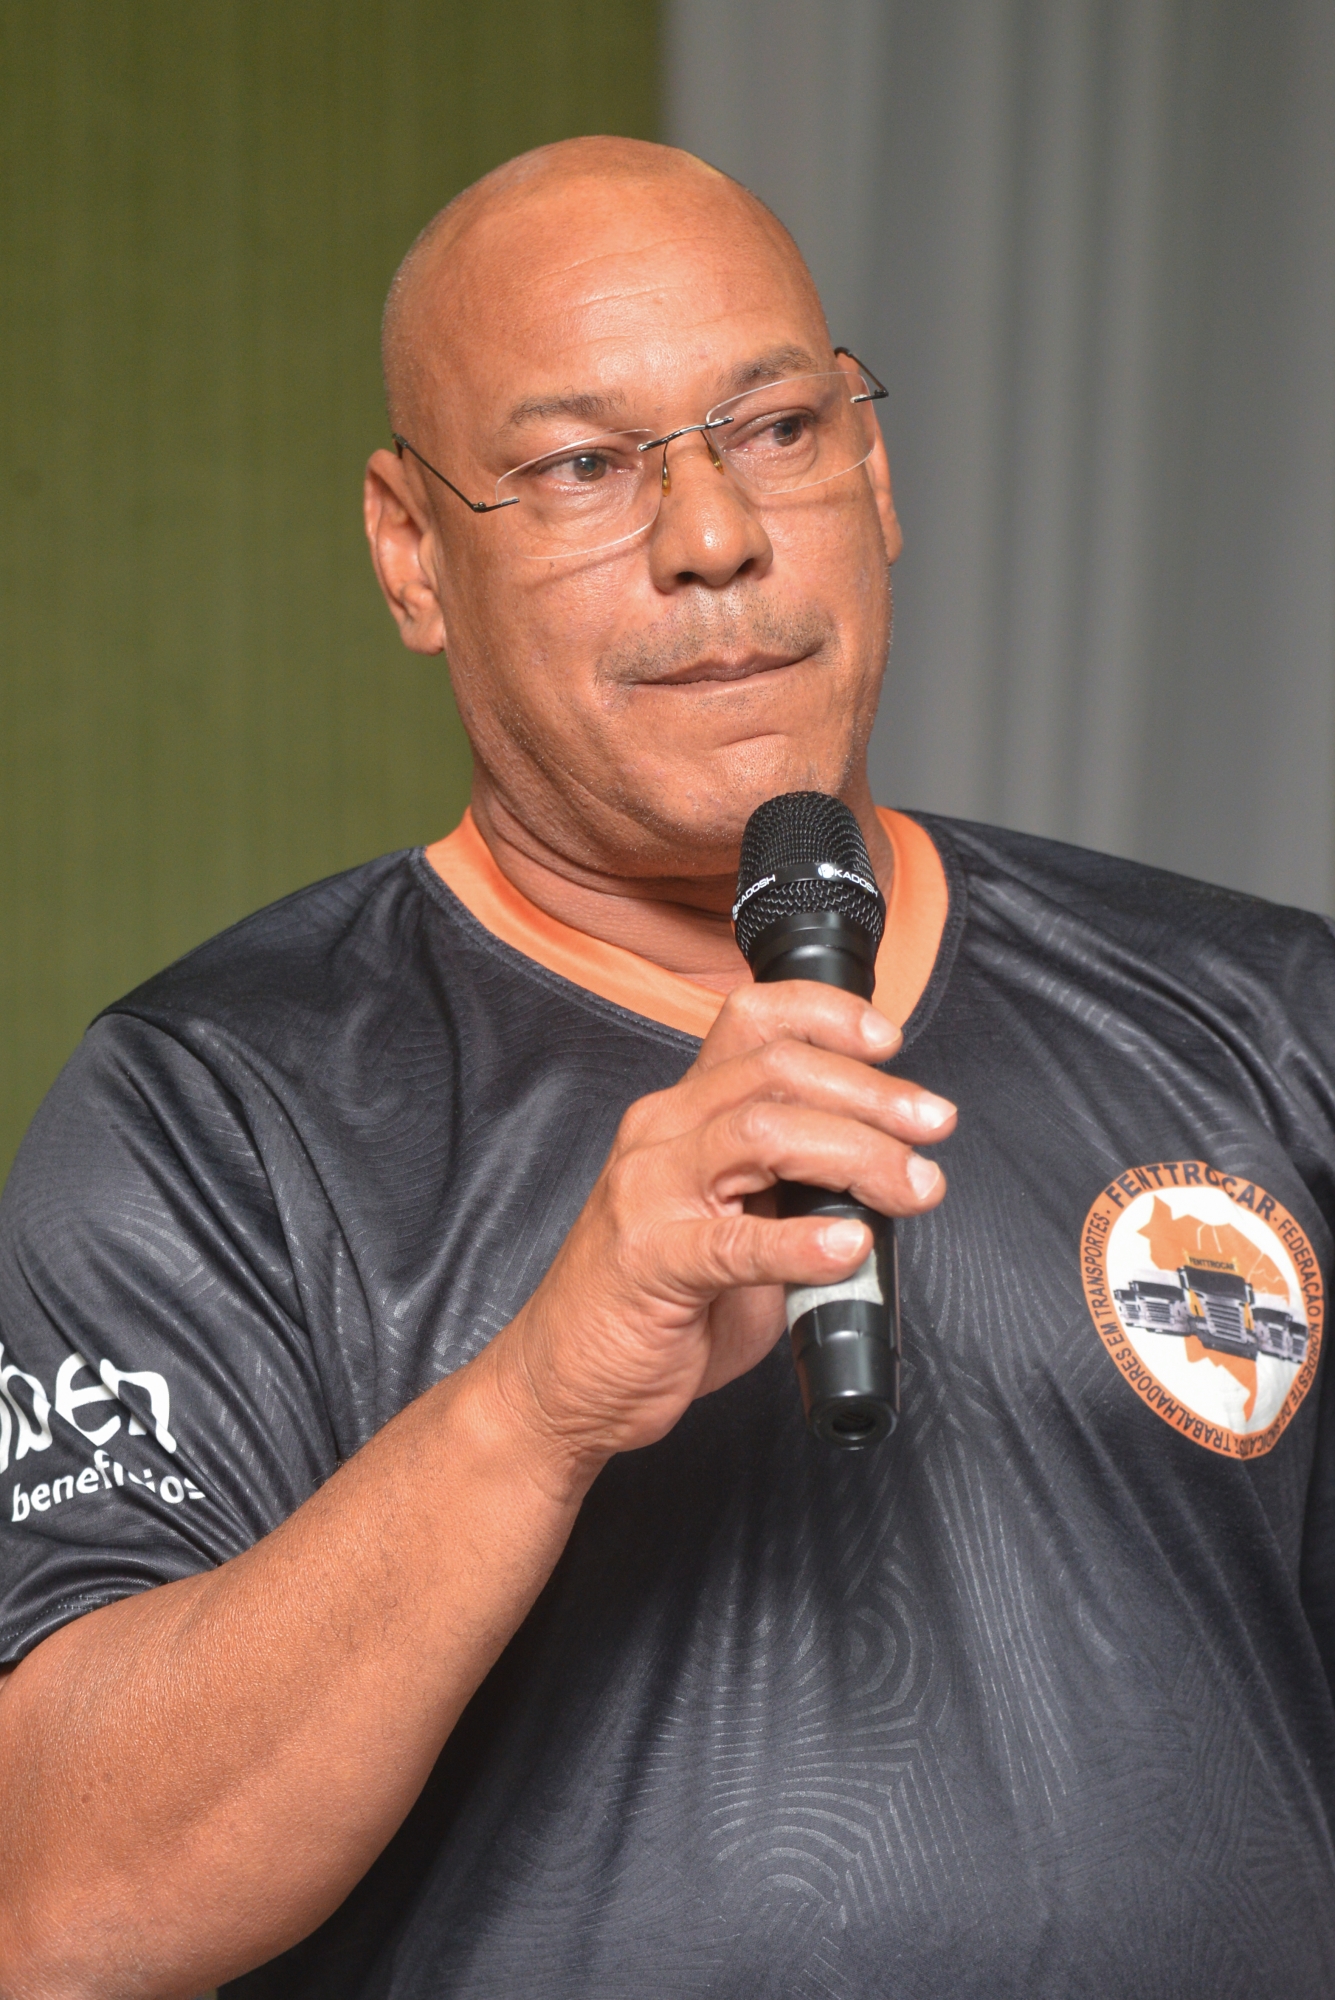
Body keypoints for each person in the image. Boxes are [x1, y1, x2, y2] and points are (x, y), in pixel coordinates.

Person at [1, 135, 1334, 2000]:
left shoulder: (1265, 1017)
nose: (713, 536)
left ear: (876, 475)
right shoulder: (218, 1108)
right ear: (410, 552)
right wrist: (538, 1403)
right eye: (580, 467)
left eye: (776, 430)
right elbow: (57, 1903)